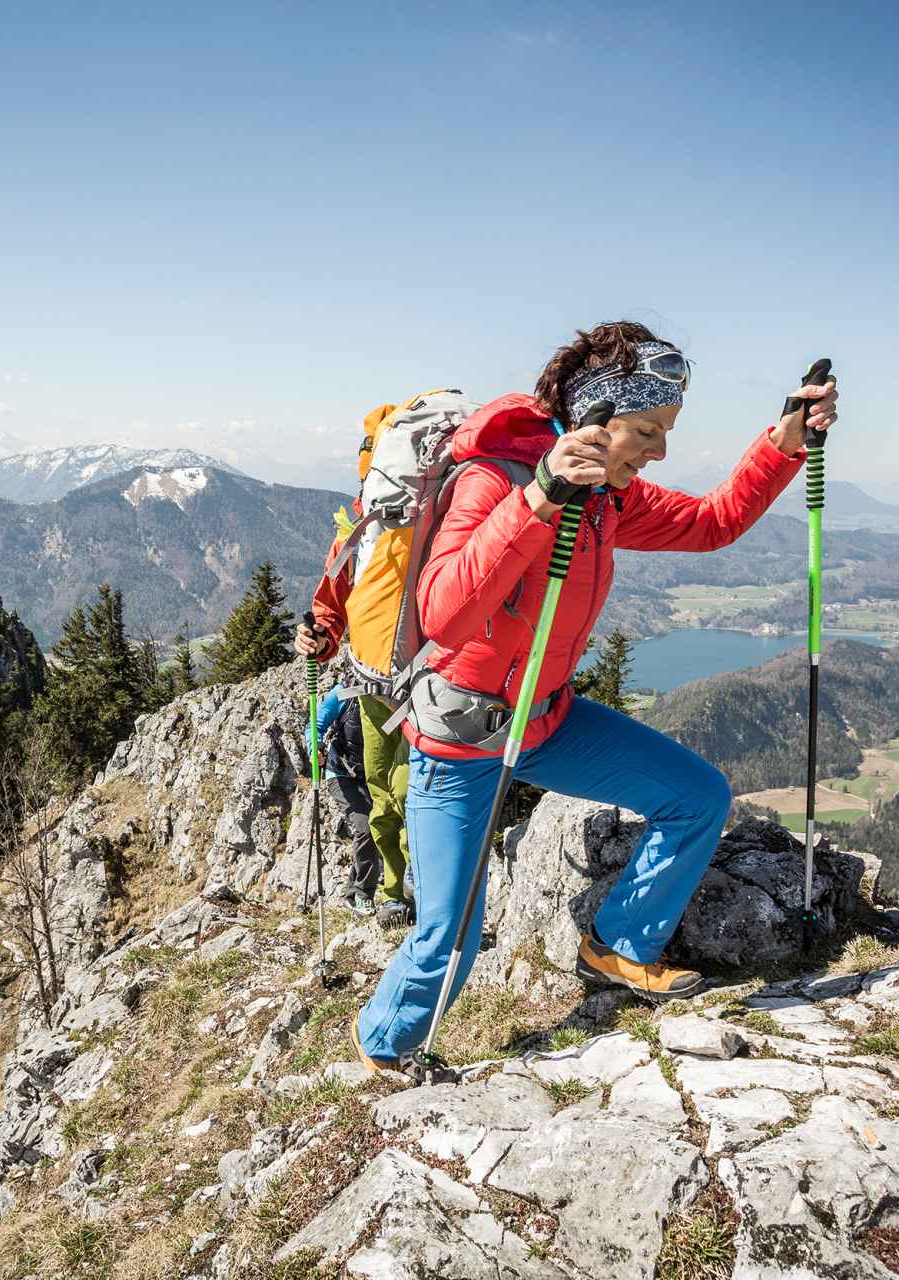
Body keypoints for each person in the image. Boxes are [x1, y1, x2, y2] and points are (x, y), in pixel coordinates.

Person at [344, 321, 837, 1070]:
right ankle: (386, 1049)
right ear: (594, 419)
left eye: (664, 431)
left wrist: (786, 440)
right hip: (463, 739)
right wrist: (538, 497)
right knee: (449, 934)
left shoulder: (611, 499)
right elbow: (443, 613)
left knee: (697, 796)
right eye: (647, 430)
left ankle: (618, 945)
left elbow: (712, 523)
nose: (658, 451)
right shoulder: (494, 482)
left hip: (548, 723)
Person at [293, 425, 416, 930]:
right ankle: (396, 887)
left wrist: (325, 635)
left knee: (405, 789)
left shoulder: (381, 524)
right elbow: (332, 605)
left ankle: (419, 890)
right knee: (387, 790)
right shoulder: (359, 529)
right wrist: (319, 638)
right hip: (385, 684)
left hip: (408, 683)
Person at [304, 682, 385, 915]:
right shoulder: (344, 692)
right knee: (366, 825)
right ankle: (362, 895)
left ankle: (352, 892)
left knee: (380, 825)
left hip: (373, 776)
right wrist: (314, 748)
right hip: (340, 773)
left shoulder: (389, 690)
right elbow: (314, 724)